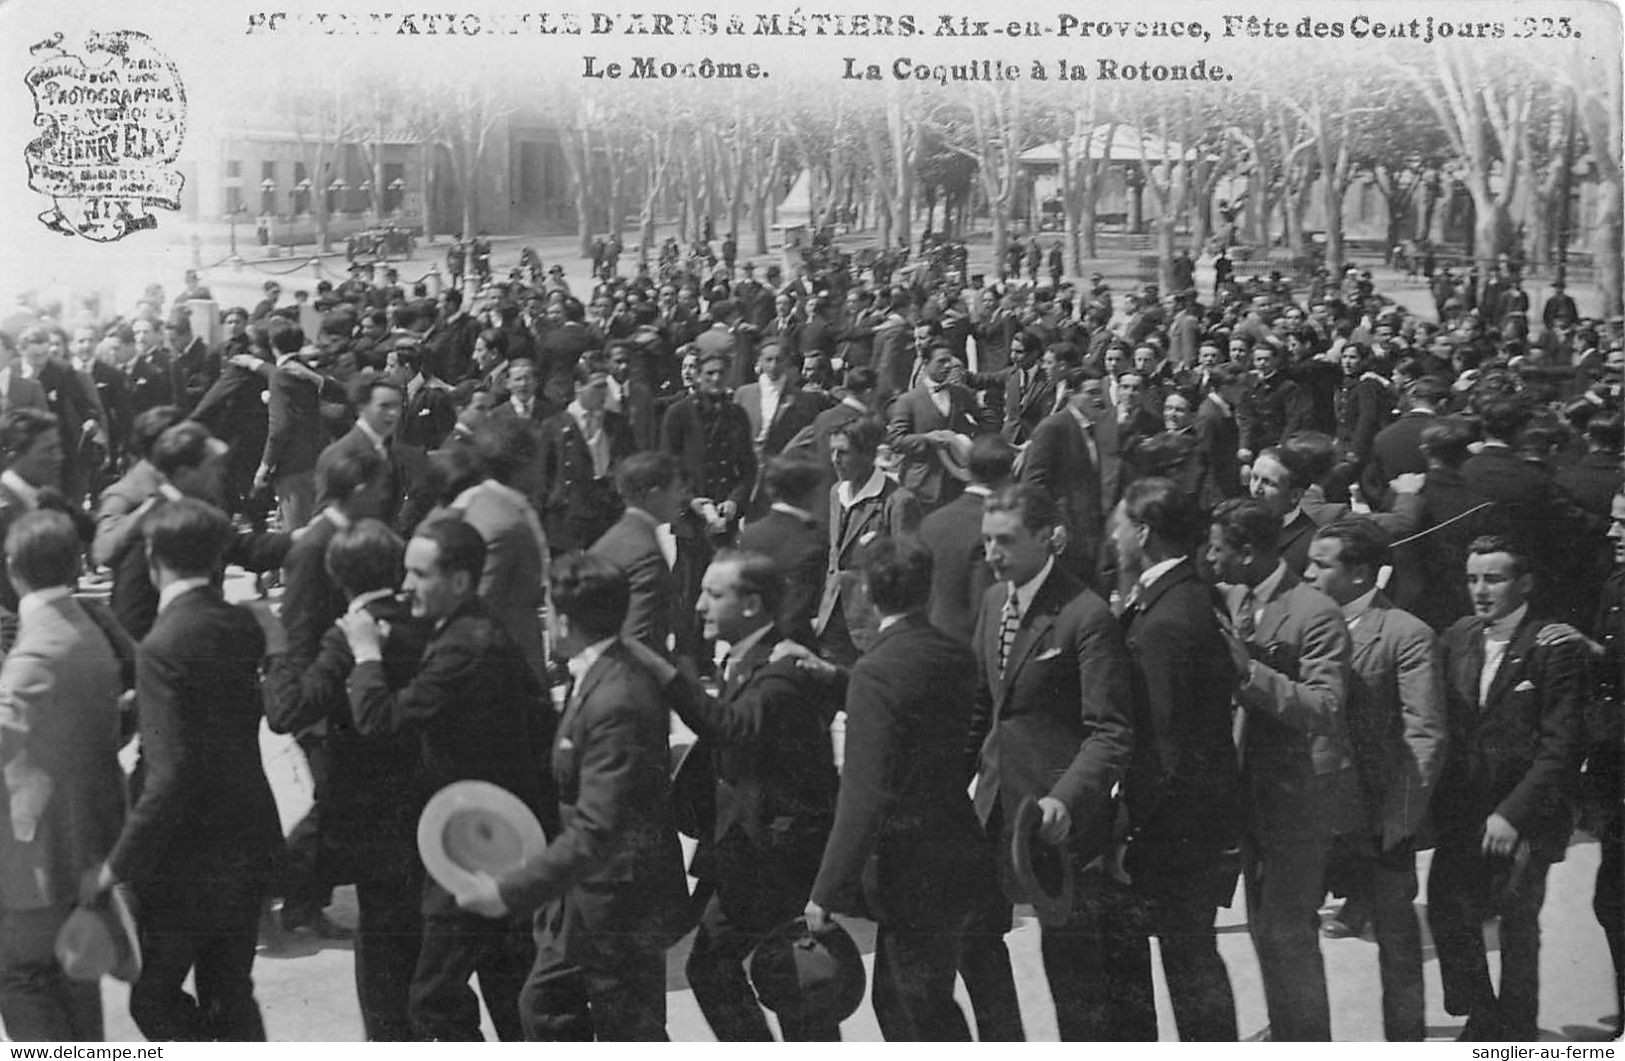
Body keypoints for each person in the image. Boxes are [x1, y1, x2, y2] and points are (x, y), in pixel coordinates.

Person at [454, 554, 688, 1041]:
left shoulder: (616, 698)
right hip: (588, 897)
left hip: (618, 903)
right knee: (548, 1006)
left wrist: (508, 890)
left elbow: (597, 829)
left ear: (562, 619)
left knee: (626, 1028)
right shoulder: (599, 673)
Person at [342, 518, 554, 1041]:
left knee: (434, 997)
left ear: (458, 582)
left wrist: (367, 653)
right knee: (506, 987)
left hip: (478, 847)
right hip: (495, 834)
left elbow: (381, 721)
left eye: (419, 574)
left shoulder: (467, 646)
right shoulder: (471, 629)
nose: (404, 586)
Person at [87, 499, 282, 1041]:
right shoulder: (241, 625)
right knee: (230, 991)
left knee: (154, 1000)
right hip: (246, 836)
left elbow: (168, 774)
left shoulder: (161, 646)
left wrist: (115, 865)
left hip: (183, 857)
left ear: (152, 557)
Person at [791, 536, 999, 1040]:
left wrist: (826, 891)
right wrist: (843, 681)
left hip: (906, 868)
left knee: (913, 1009)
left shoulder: (876, 671)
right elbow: (916, 715)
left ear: (865, 591)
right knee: (910, 998)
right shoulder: (953, 656)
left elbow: (863, 797)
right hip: (954, 845)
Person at [968, 483, 1134, 1040]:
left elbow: (1109, 732)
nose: (993, 553)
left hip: (1055, 826)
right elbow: (983, 707)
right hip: (994, 811)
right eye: (988, 540)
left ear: (1047, 539)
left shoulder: (1085, 616)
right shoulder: (994, 601)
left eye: (1006, 541)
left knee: (1073, 978)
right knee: (976, 945)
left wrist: (1064, 798)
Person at [652, 552, 839, 1041]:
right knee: (787, 982)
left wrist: (670, 677)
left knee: (783, 977)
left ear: (753, 604)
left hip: (774, 856)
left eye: (715, 594)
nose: (700, 604)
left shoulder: (779, 672)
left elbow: (733, 729)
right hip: (749, 850)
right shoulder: (751, 660)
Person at [261, 519, 428, 1039]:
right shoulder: (422, 623)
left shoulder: (347, 635)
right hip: (423, 805)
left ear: (337, 575)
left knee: (380, 955)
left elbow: (287, 711)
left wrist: (281, 651)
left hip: (365, 812)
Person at [1204, 498, 1358, 1042]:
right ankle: (1285, 1028)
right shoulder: (1236, 598)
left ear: (1248, 552)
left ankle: (1309, 1040)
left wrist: (1249, 674)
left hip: (1297, 800)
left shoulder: (1314, 613)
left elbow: (1325, 708)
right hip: (1251, 792)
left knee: (1290, 932)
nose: (1210, 557)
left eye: (1218, 548)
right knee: (1265, 931)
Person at [1428, 535, 1585, 1041]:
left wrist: (1512, 814)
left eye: (1493, 579)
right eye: (1472, 578)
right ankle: (1482, 1013)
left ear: (1525, 583)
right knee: (1448, 907)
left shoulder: (1552, 648)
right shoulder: (1459, 636)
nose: (1479, 590)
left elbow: (1559, 749)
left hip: (1527, 813)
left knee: (1518, 920)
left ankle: (1516, 1032)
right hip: (1465, 807)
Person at [1104, 479, 1243, 1040]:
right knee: (1192, 959)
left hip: (1171, 828)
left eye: (1119, 525)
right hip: (1195, 822)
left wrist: (1128, 833)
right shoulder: (1181, 595)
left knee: (1177, 964)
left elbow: (1164, 743)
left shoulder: (1164, 619)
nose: (1112, 535)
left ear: (1142, 532)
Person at [1304, 519, 1445, 1041]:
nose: (1309, 572)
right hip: (1313, 810)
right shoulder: (1304, 624)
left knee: (1397, 938)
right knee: (1292, 933)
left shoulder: (1406, 635)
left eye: (1322, 564)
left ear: (1360, 571)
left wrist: (1401, 816)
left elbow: (1424, 734)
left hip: (1378, 815)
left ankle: (1405, 1040)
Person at [0, 511, 126, 1041]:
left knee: (23, 978)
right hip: (86, 845)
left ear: (13, 568)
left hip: (34, 862)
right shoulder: (89, 625)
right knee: (76, 981)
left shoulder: (36, 650)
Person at [267, 448, 390, 940]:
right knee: (334, 803)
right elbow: (297, 628)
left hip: (337, 686)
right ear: (358, 488)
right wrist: (303, 702)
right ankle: (293, 896)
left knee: (340, 801)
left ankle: (293, 893)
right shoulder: (317, 545)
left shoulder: (342, 537)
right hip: (319, 694)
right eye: (379, 487)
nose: (385, 496)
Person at [434, 421, 552, 686]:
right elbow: (482, 604)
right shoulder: (502, 524)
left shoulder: (499, 505)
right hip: (505, 669)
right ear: (524, 462)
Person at [813, 416, 921, 665]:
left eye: (844, 453)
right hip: (832, 617)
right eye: (832, 452)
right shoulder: (836, 492)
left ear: (868, 454)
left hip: (870, 626)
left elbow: (907, 571)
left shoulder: (897, 501)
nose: (835, 460)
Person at [1021, 367, 1124, 590]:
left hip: (1095, 532)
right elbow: (1033, 482)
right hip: (1068, 532)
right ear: (1071, 394)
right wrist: (1055, 521)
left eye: (1100, 393)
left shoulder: (1098, 427)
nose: (1098, 399)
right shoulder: (1054, 427)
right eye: (1091, 393)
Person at [918, 434, 1013, 645]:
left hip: (927, 642)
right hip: (969, 649)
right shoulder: (997, 528)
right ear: (1009, 476)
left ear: (967, 471)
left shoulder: (930, 522)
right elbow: (986, 607)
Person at [536, 359, 634, 554]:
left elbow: (629, 464)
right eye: (597, 387)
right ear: (579, 387)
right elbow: (542, 477)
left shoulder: (617, 425)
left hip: (606, 516)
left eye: (605, 386)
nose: (603, 393)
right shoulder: (554, 426)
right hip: (567, 521)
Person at [886, 345, 997, 513]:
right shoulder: (908, 400)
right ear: (925, 363)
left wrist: (970, 441)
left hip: (959, 483)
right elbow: (895, 440)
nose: (947, 366)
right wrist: (926, 439)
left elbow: (989, 420)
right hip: (922, 486)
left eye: (949, 361)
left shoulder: (961, 393)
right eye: (941, 361)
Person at [737, 454, 827, 645]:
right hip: (793, 646)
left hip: (752, 641)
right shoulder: (812, 539)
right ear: (809, 492)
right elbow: (799, 609)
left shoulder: (751, 534)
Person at [255, 319, 324, 532]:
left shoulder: (280, 375)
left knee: (297, 532)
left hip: (293, 466)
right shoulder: (304, 369)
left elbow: (280, 427)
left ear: (272, 345)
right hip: (314, 458)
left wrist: (265, 466)